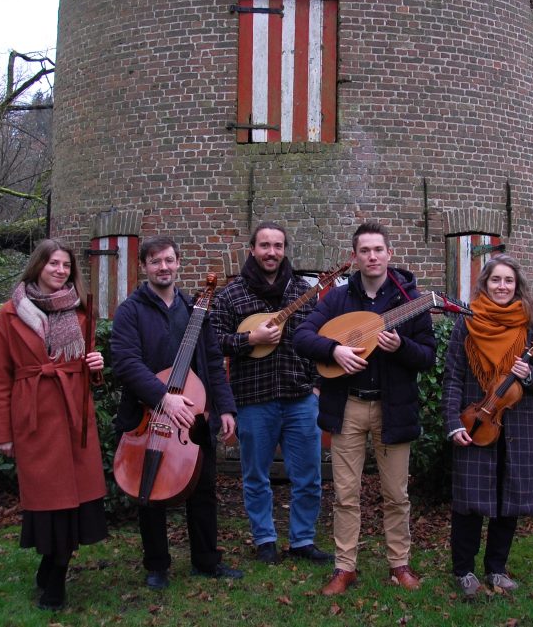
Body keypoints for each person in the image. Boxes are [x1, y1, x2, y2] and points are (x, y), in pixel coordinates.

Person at [294, 221, 436, 595]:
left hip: (394, 408)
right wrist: (334, 350)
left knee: (396, 494)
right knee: (345, 493)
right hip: (348, 407)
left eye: (378, 250)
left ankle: (399, 564)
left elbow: (428, 357)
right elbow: (302, 336)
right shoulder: (339, 299)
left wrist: (399, 348)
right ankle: (345, 567)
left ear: (389, 253)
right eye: (364, 251)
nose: (372, 257)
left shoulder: (411, 300)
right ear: (354, 257)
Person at [110, 235, 243, 589]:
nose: (163, 267)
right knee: (149, 490)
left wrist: (226, 407)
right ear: (145, 267)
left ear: (178, 262)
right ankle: (157, 565)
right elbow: (125, 362)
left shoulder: (195, 308)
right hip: (147, 413)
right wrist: (162, 398)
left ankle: (206, 560)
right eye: (155, 262)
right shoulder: (131, 310)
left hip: (195, 416)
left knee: (203, 490)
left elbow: (214, 362)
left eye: (169, 260)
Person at [0, 238, 108, 611]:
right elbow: (0, 378)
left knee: (74, 502)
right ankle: (50, 566)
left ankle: (55, 577)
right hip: (35, 419)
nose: (60, 271)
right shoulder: (9, 314)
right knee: (49, 501)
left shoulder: (82, 311)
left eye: (66, 266)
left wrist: (96, 367)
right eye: (53, 264)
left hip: (76, 417)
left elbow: (89, 368)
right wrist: (3, 434)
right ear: (38, 265)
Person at [209, 222, 332, 565]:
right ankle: (264, 539)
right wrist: (249, 340)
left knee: (308, 475)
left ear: (284, 250)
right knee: (255, 476)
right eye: (265, 245)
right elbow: (213, 341)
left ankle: (303, 540)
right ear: (252, 249)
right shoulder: (232, 295)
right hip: (253, 399)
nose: (272, 252)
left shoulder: (301, 291)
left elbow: (318, 341)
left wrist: (318, 387)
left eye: (278, 246)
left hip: (301, 397)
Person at [442, 255, 533, 597]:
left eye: (508, 281)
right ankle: (463, 570)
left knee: (510, 501)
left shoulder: (529, 326)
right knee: (470, 502)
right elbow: (453, 378)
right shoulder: (467, 323)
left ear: (517, 286)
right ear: (485, 284)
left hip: (517, 426)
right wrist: (451, 422)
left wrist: (528, 375)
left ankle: (496, 568)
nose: (502, 287)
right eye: (495, 281)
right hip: (475, 422)